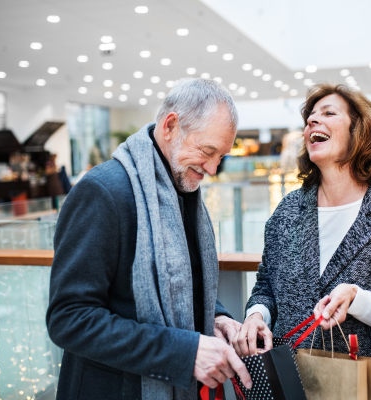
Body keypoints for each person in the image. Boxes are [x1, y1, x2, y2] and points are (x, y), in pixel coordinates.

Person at [46, 79, 252, 400]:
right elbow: (69, 318)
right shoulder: (102, 191)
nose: (212, 168)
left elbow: (184, 280)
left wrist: (214, 316)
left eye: (221, 157)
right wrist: (183, 353)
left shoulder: (182, 187)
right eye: (207, 151)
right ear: (170, 126)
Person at [233, 83, 371, 400]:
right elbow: (266, 287)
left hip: (361, 387)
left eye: (328, 113)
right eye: (310, 117)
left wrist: (358, 300)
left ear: (360, 131)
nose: (312, 122)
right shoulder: (288, 211)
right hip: (288, 383)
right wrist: (256, 315)